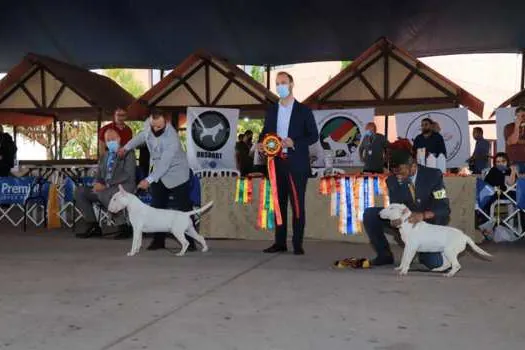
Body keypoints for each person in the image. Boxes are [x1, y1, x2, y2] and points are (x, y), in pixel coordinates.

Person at [258, 72, 319, 255]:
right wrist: (261, 143)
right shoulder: (272, 110)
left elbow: (313, 135)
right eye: (277, 84)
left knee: (297, 204)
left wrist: (295, 142)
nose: (280, 87)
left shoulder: (304, 110)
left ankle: (297, 243)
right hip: (275, 164)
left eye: (283, 83)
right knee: (279, 204)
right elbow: (265, 133)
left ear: (292, 84)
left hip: (297, 164)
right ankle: (279, 242)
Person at [119, 110, 196, 251]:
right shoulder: (149, 125)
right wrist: (126, 147)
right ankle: (158, 241)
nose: (155, 129)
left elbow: (164, 164)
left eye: (159, 127)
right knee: (156, 207)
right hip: (158, 173)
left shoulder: (172, 137)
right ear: (150, 120)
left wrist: (148, 180)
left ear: (165, 122)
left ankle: (191, 242)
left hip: (177, 174)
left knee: (184, 208)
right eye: (153, 126)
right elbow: (141, 136)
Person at [362, 149, 450, 269]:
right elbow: (396, 207)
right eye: (394, 171)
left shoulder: (433, 175)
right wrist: (395, 220)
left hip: (428, 227)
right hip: (406, 223)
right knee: (370, 214)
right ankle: (384, 255)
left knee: (436, 264)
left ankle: (424, 252)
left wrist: (423, 215)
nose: (397, 175)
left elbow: (443, 207)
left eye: (400, 172)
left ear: (413, 166)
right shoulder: (392, 181)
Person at [75, 129, 136, 239]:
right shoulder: (105, 156)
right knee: (80, 191)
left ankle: (123, 226)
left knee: (104, 193)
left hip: (124, 186)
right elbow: (99, 174)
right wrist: (97, 183)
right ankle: (92, 225)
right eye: (108, 140)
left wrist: (107, 185)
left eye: (113, 139)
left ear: (119, 139)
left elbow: (128, 174)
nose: (110, 142)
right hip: (105, 188)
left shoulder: (128, 152)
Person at [478, 152, 518, 234]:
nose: (500, 163)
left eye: (503, 161)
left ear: (507, 161)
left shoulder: (509, 170)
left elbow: (511, 183)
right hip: (491, 193)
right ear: (495, 163)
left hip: (506, 193)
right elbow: (487, 184)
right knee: (486, 198)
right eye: (498, 162)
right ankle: (485, 223)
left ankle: (486, 224)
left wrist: (513, 171)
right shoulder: (493, 170)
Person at [504, 106, 525, 173]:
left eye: (523, 115)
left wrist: (519, 141)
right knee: (515, 182)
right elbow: (512, 141)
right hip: (514, 161)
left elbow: (516, 141)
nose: (522, 118)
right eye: (520, 116)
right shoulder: (509, 127)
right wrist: (517, 126)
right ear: (515, 116)